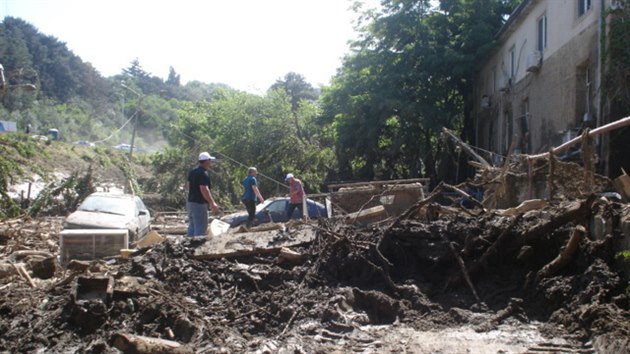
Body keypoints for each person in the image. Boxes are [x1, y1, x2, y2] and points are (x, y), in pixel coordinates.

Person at [186, 152, 220, 236]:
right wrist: (212, 203)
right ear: (206, 161)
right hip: (199, 204)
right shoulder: (203, 173)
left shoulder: (193, 171)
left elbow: (188, 186)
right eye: (210, 160)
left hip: (190, 202)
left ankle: (188, 246)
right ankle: (197, 247)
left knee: (192, 226)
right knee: (200, 227)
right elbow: (204, 189)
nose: (211, 162)